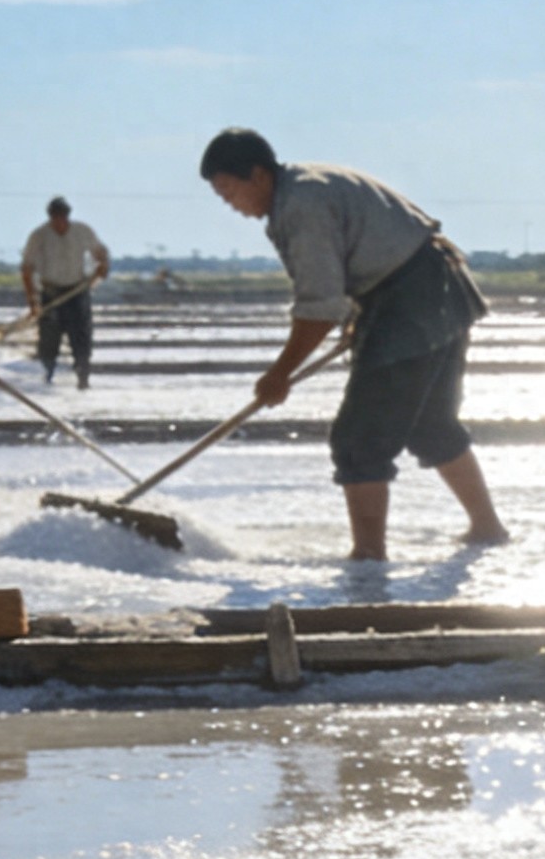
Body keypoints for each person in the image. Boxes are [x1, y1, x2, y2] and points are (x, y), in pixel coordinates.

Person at [200, 128, 508, 560]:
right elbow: (339, 286)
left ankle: (368, 555)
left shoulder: (301, 204)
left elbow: (319, 306)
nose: (231, 204)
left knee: (358, 439)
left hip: (413, 300)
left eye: (229, 191)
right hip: (434, 290)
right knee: (431, 425)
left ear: (257, 175)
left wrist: (280, 373)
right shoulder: (303, 186)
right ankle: (487, 527)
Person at [20, 196, 110, 387]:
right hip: (51, 292)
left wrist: (102, 266)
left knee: (81, 337)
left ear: (68, 216)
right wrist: (33, 302)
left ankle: (83, 377)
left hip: (77, 292)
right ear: (50, 217)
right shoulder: (39, 235)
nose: (59, 222)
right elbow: (27, 269)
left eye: (63, 217)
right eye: (55, 218)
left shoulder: (82, 231)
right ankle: (49, 375)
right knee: (48, 339)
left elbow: (100, 254)